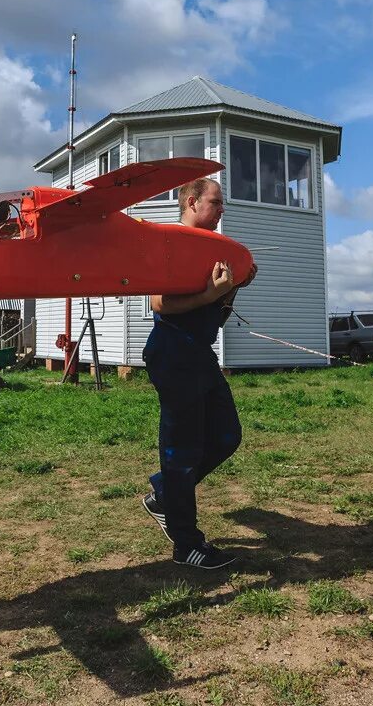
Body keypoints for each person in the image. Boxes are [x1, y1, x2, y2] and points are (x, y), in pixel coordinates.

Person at [140, 177, 256, 570]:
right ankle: (186, 545)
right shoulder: (171, 242)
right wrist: (211, 293)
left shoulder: (215, 251)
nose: (223, 209)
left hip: (199, 354)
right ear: (192, 202)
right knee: (182, 451)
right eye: (216, 202)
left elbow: (214, 320)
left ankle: (163, 493)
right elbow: (160, 303)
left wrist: (235, 285)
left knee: (227, 436)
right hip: (172, 356)